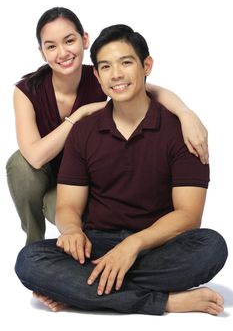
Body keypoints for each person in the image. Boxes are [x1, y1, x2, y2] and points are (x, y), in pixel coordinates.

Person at [15, 24, 227, 316]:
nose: (116, 74)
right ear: (97, 76)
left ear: (146, 66)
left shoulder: (184, 132)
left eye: (126, 62)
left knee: (212, 247)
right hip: (96, 244)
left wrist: (133, 245)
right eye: (106, 66)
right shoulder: (84, 131)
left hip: (155, 244)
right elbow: (67, 205)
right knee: (29, 260)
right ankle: (164, 301)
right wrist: (73, 230)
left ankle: (81, 290)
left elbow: (189, 216)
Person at [6, 7, 209, 245]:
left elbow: (146, 88)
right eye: (51, 46)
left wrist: (186, 114)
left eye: (69, 40)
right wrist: (79, 115)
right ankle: (36, 242)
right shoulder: (27, 90)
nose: (62, 52)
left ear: (84, 40)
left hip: (91, 179)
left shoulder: (102, 75)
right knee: (19, 164)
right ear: (42, 52)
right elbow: (35, 157)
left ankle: (106, 250)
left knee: (205, 244)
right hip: (51, 174)